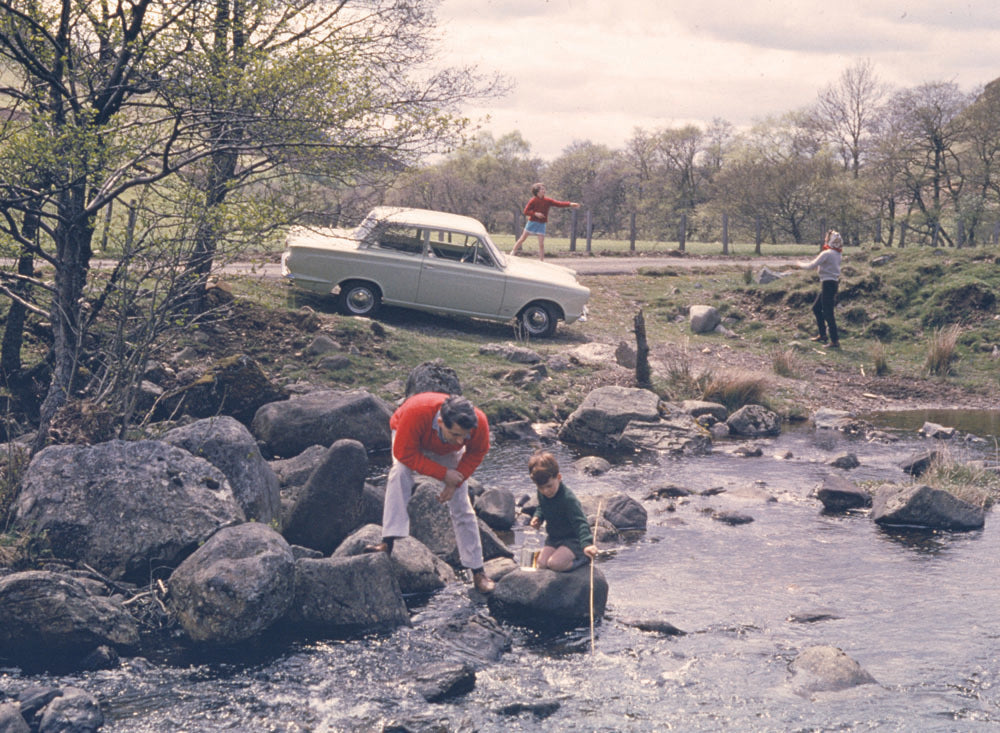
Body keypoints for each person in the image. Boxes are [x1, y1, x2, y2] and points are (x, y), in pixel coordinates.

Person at [365, 392, 496, 594]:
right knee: (398, 474)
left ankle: (478, 571)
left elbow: (477, 452)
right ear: (441, 421)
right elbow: (403, 453)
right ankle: (387, 542)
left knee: (462, 503)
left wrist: (455, 480)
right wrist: (443, 474)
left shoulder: (479, 423)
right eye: (456, 435)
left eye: (465, 435)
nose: (461, 440)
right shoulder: (415, 412)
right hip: (410, 440)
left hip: (444, 451)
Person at [527, 451, 598, 572]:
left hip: (573, 540)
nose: (546, 491)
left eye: (549, 486)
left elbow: (580, 522)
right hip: (554, 538)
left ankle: (583, 559)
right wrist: (538, 516)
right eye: (541, 488)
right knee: (541, 563)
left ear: (559, 477)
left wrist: (587, 544)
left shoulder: (568, 499)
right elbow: (542, 506)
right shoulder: (542, 493)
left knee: (555, 564)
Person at [509, 183, 581, 261]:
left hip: (542, 224)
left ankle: (541, 260)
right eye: (542, 189)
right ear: (537, 191)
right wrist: (535, 214)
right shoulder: (533, 200)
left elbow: (559, 204)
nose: (544, 190)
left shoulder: (547, 200)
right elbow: (526, 211)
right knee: (522, 238)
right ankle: (512, 253)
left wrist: (570, 204)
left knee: (541, 244)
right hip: (532, 222)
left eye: (544, 189)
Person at [798, 229, 843, 349]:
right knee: (816, 308)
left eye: (828, 237)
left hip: (827, 284)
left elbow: (811, 265)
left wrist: (798, 264)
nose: (826, 239)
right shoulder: (838, 253)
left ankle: (834, 340)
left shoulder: (827, 253)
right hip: (832, 283)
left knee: (828, 312)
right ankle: (823, 335)